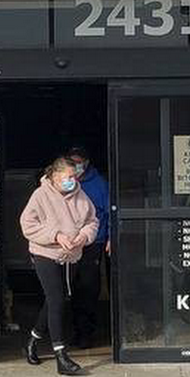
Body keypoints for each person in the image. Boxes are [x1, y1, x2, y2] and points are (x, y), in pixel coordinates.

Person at [19, 156, 99, 376]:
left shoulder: (81, 196)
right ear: (55, 176)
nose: (73, 180)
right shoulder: (40, 195)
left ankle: (32, 340)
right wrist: (55, 235)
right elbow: (27, 224)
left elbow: (92, 221)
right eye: (69, 177)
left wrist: (83, 236)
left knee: (57, 298)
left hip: (71, 255)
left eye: (75, 176)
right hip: (45, 253)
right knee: (56, 299)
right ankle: (61, 355)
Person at [67, 146, 109, 347]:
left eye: (79, 161)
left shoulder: (99, 184)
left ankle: (87, 333)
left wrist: (110, 237)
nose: (76, 166)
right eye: (72, 162)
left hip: (94, 242)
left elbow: (110, 212)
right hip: (68, 243)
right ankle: (75, 329)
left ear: (87, 162)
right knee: (71, 287)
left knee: (89, 286)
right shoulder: (66, 182)